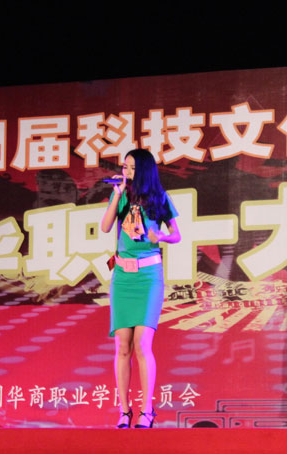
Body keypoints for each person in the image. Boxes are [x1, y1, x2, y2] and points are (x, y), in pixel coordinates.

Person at [100, 148, 181, 429]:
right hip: (122, 277)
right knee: (122, 345)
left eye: (132, 168)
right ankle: (124, 411)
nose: (127, 172)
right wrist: (117, 195)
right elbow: (106, 227)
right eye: (125, 167)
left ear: (144, 170)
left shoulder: (159, 197)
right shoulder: (121, 195)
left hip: (148, 277)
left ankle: (147, 409)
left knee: (142, 344)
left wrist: (161, 236)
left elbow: (176, 235)